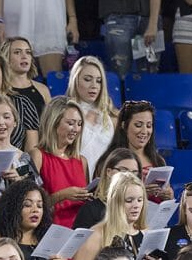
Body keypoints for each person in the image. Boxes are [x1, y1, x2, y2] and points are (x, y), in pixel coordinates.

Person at [0, 0, 77, 75]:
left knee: (52, 77)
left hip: (50, 21)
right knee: (13, 76)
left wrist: (72, 19)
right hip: (15, 22)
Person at [96, 100, 174, 202]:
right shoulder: (110, 160)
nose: (144, 131)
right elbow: (103, 199)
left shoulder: (158, 161)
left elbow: (166, 196)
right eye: (138, 125)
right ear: (124, 125)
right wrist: (140, 193)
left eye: (149, 126)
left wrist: (169, 195)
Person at [30, 97, 91, 228]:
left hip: (81, 231)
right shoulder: (38, 156)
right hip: (50, 230)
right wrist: (62, 195)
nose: (76, 129)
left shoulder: (82, 161)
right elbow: (29, 204)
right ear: (54, 123)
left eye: (79, 124)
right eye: (71, 123)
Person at [97, 0, 165, 77]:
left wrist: (153, 24)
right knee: (121, 73)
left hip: (149, 20)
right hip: (119, 19)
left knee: (149, 73)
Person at [67, 56, 117, 177]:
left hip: (105, 181)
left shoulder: (112, 116)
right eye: (87, 79)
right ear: (75, 80)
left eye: (98, 81)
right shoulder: (64, 112)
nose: (94, 85)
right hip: (75, 179)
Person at [73, 147, 142, 229]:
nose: (129, 177)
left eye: (134, 173)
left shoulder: (138, 208)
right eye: (123, 171)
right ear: (109, 172)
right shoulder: (91, 210)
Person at [5, 36, 51, 116]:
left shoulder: (43, 89)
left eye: (28, 52)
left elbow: (51, 120)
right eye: (17, 52)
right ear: (6, 57)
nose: (24, 56)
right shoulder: (1, 90)